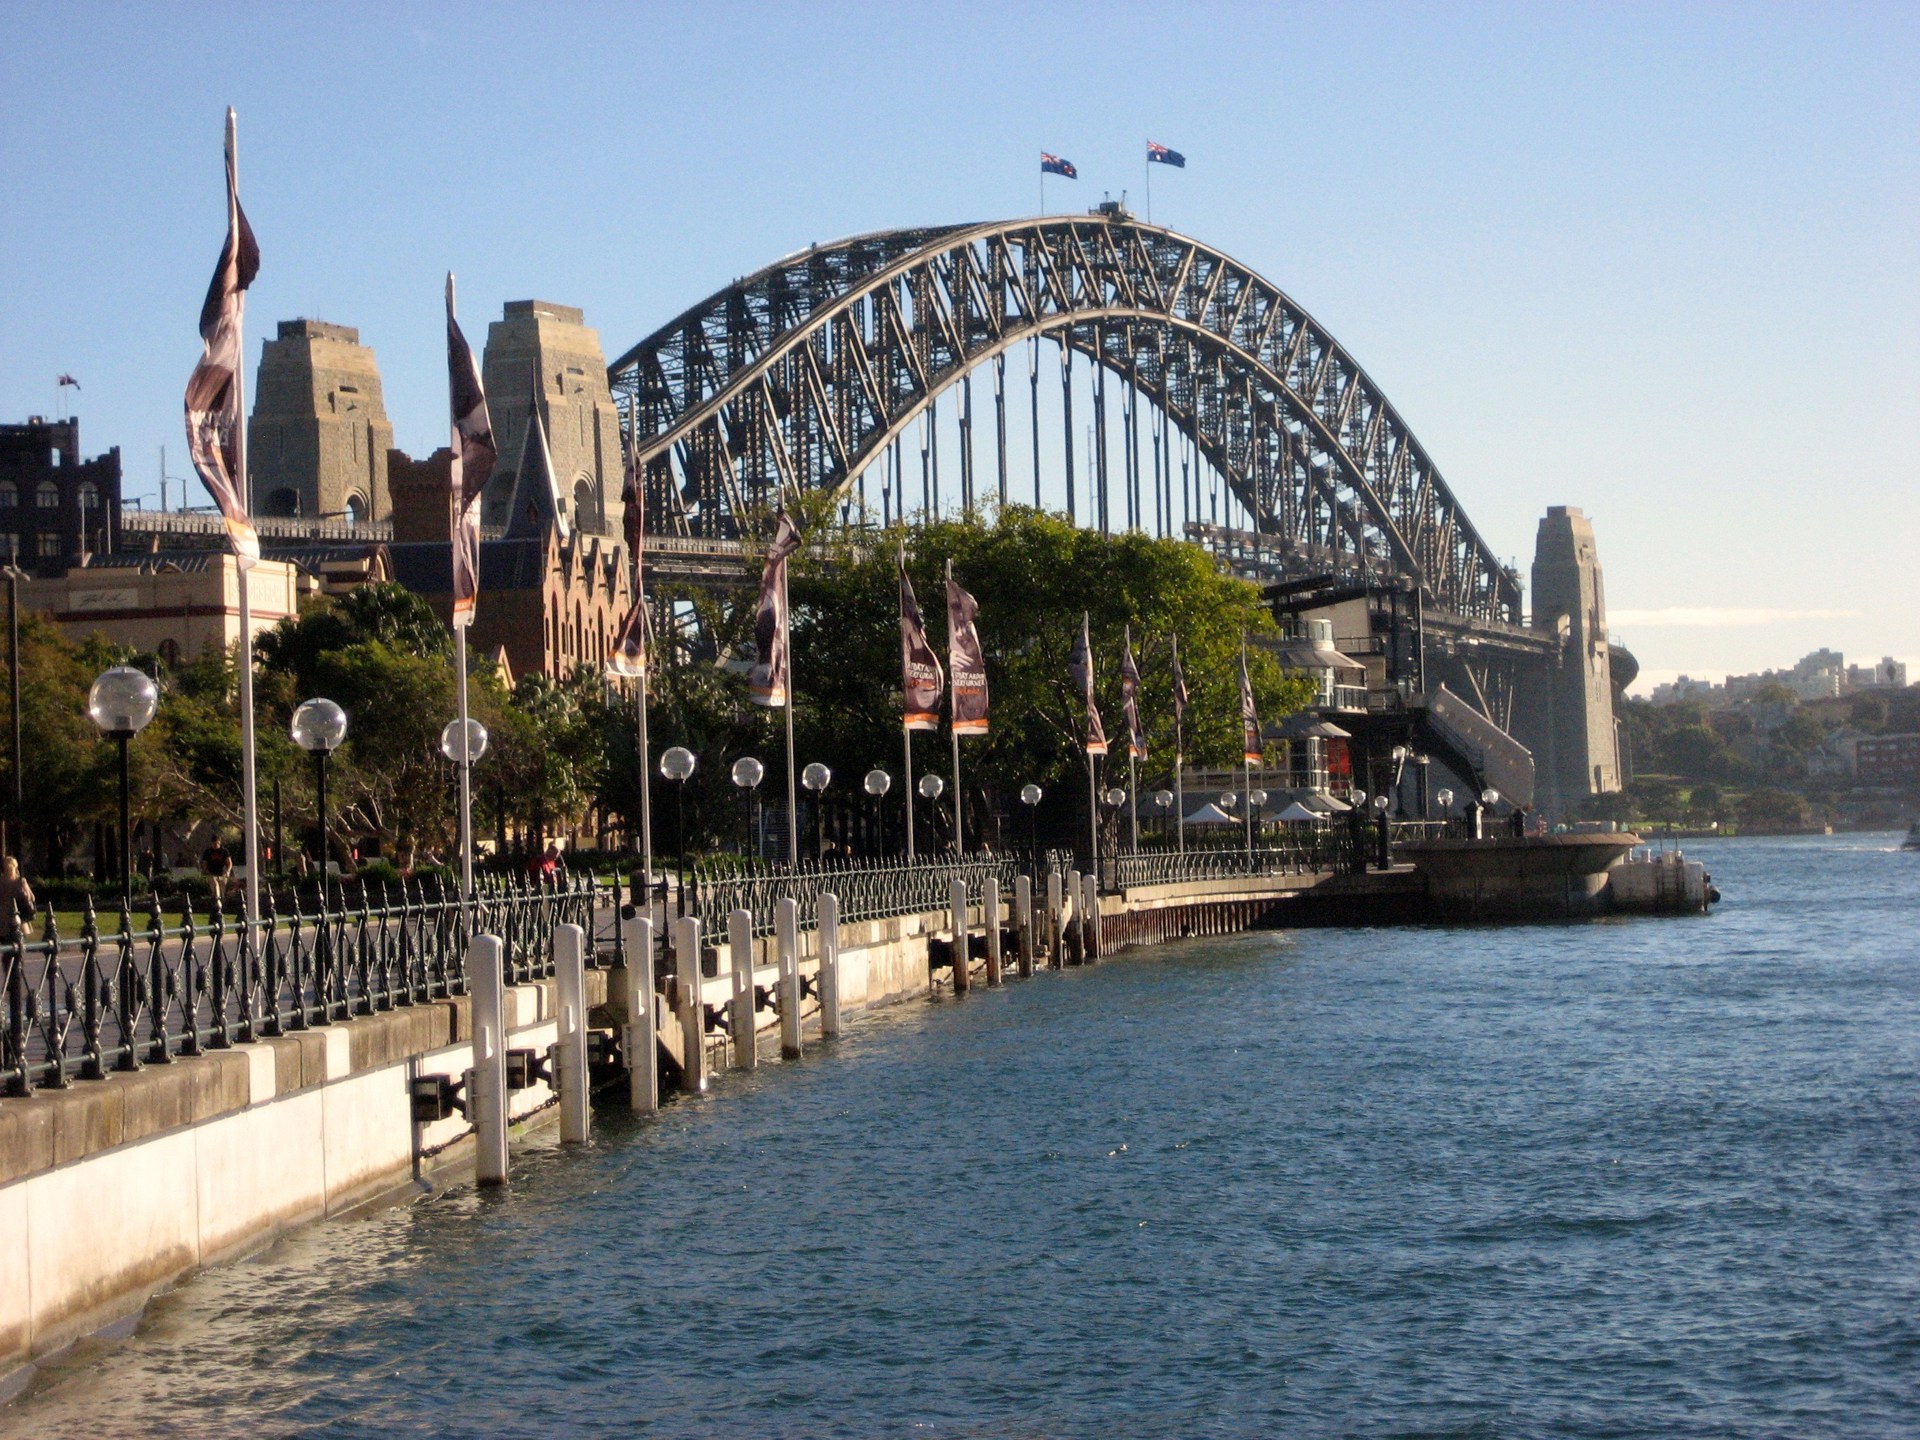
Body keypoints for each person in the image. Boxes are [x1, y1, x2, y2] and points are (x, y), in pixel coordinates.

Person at [0, 856, 35, 945]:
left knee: (8, 947)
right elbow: (32, 898)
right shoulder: (20, 882)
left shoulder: (1, 881)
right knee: (18, 948)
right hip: (17, 917)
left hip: (3, 919)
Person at [201, 837, 233, 906]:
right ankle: (217, 903)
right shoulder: (208, 852)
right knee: (215, 885)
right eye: (214, 844)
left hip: (222, 874)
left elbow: (229, 863)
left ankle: (218, 905)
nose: (215, 845)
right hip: (211, 873)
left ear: (219, 842)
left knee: (221, 892)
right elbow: (204, 863)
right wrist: (206, 871)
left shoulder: (224, 851)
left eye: (217, 843)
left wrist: (228, 871)